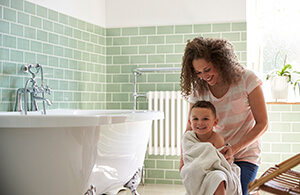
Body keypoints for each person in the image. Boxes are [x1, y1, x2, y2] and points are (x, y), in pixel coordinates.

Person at [179, 37, 268, 195]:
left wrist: (234, 149)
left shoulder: (247, 79)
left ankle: (252, 191)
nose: (204, 76)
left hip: (245, 153)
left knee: (238, 190)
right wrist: (183, 158)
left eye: (207, 69)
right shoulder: (199, 89)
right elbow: (189, 129)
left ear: (220, 61)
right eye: (198, 72)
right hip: (215, 154)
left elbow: (263, 123)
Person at [186, 100, 226, 194]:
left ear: (215, 122)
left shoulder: (217, 139)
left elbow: (219, 162)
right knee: (192, 171)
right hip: (195, 169)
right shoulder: (188, 138)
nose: (200, 123)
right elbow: (188, 157)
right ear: (190, 122)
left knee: (218, 178)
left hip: (213, 170)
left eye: (205, 119)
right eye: (195, 119)